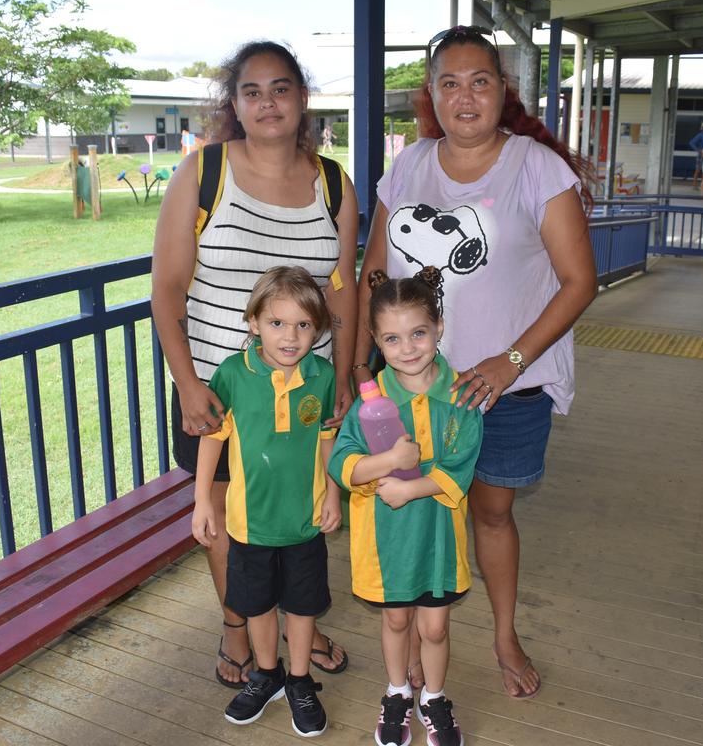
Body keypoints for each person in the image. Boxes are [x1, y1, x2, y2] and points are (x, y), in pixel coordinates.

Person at [353, 25, 597, 700]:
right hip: (406, 388)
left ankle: (503, 632)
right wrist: (360, 370)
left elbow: (580, 281)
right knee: (410, 510)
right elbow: (374, 270)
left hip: (502, 392)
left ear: (502, 91)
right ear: (431, 95)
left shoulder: (535, 166)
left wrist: (510, 361)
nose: (465, 96)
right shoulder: (407, 166)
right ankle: (411, 666)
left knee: (490, 513)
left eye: (480, 81)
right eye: (450, 83)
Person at [152, 40, 357, 689]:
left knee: (298, 517)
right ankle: (237, 627)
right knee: (229, 526)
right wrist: (187, 383)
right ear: (235, 104)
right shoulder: (204, 173)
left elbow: (342, 289)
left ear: (302, 98)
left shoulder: (332, 180)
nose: (268, 102)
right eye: (252, 91)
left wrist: (345, 377)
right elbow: (167, 286)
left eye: (282, 88)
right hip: (222, 392)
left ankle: (297, 622)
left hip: (305, 395)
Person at [330, 267, 482, 746]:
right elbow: (342, 463)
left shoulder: (461, 397)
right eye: (392, 338)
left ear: (438, 325)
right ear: (376, 339)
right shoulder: (369, 401)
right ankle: (397, 692)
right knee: (396, 618)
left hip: (438, 537)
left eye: (418, 333)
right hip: (387, 537)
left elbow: (461, 464)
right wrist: (387, 464)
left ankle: (433, 697)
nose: (408, 347)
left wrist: (410, 488)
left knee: (434, 627)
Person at [192, 266, 341, 736]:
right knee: (257, 605)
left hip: (303, 521)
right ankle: (267, 674)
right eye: (277, 323)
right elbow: (213, 438)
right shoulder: (233, 374)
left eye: (303, 325)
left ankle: (298, 679)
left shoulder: (322, 375)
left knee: (301, 605)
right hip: (249, 524)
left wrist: (333, 492)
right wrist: (201, 501)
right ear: (252, 322)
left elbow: (326, 439)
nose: (291, 336)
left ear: (317, 329)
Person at [688, 122, 703, 188]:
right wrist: (699, 150)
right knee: (698, 170)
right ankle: (694, 185)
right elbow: (691, 143)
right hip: (701, 155)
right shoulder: (700, 135)